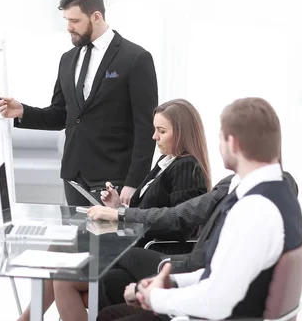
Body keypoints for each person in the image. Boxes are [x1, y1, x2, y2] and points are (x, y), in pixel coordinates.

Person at [98, 97, 302, 320]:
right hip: (228, 305)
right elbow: (220, 274)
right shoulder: (280, 193)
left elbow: (216, 302)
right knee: (111, 313)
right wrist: (172, 281)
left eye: (220, 138)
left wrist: (155, 297)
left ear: (232, 143)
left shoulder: (252, 211)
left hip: (218, 314)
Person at [0, 0, 158, 207]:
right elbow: (61, 115)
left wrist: (135, 181)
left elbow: (145, 126)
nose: (68, 27)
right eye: (66, 20)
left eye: (74, 21)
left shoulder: (135, 58)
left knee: (110, 242)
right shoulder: (67, 59)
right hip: (74, 178)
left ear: (96, 16)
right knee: (77, 242)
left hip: (115, 180)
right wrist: (23, 111)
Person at [51, 99, 211, 321]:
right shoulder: (166, 161)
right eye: (155, 130)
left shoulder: (186, 167)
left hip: (155, 260)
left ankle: (27, 317)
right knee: (63, 271)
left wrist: (123, 217)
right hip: (136, 251)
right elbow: (150, 210)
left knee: (63, 275)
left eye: (161, 131)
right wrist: (118, 206)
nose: (154, 137)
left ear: (182, 133)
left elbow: (179, 225)